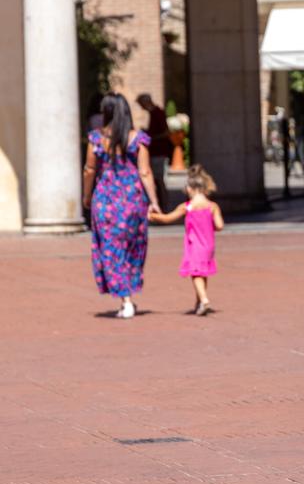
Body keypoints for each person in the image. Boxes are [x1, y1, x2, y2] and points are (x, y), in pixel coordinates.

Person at [82, 93, 162, 318]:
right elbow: (145, 172)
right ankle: (128, 294)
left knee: (110, 248)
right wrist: (154, 201)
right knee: (132, 247)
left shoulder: (97, 139)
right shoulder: (138, 139)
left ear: (105, 113)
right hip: (132, 200)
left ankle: (125, 298)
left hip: (106, 199)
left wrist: (86, 197)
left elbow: (89, 170)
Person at [148, 164, 224, 315]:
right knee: (203, 273)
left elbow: (168, 218)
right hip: (209, 245)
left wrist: (152, 216)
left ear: (190, 188)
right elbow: (220, 225)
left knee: (195, 273)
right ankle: (199, 302)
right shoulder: (212, 206)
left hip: (195, 245)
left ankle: (204, 299)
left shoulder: (187, 207)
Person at [135, 93, 172, 211]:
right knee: (156, 180)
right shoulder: (153, 114)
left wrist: (150, 137)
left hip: (159, 152)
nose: (141, 107)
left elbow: (166, 133)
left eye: (141, 104)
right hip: (154, 151)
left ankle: (163, 207)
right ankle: (159, 205)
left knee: (159, 180)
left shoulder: (158, 113)